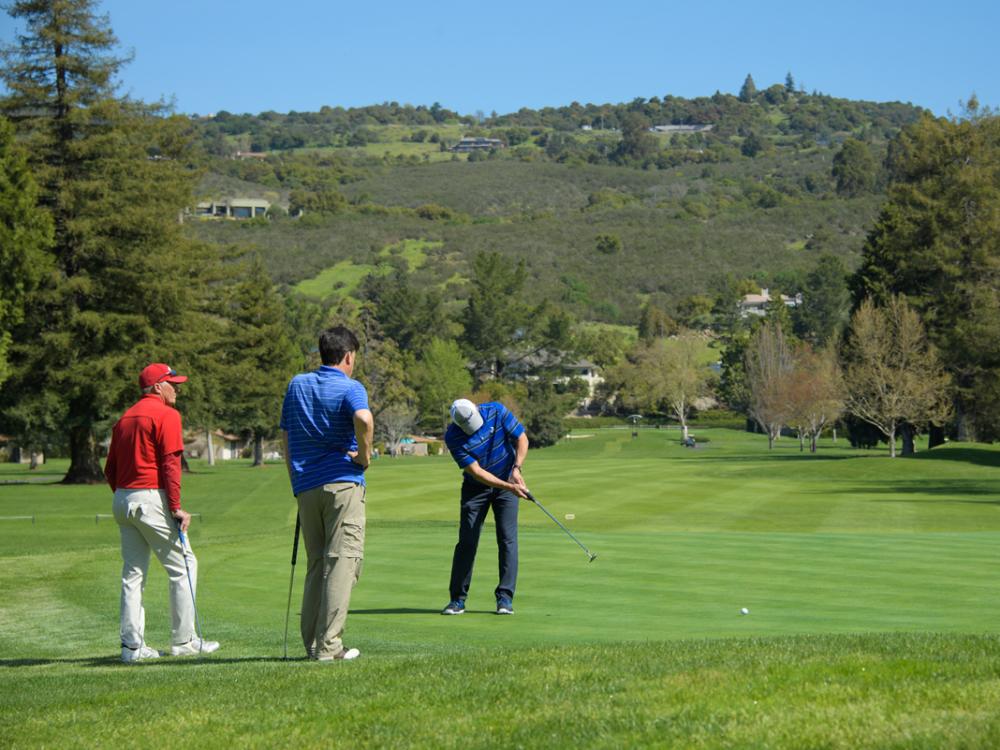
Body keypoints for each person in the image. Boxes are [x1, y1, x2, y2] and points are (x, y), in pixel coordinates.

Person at [104, 363, 220, 663]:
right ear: (157, 387)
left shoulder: (125, 418)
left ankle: (131, 648)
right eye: (172, 383)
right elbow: (171, 464)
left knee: (133, 574)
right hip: (150, 497)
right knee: (183, 566)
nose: (177, 389)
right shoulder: (167, 414)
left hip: (123, 498)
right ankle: (184, 640)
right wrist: (176, 507)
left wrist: (125, 496)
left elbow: (110, 470)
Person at [281, 326, 373, 661]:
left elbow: (287, 438)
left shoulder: (296, 385)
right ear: (349, 356)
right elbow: (364, 418)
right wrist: (364, 456)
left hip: (306, 487)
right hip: (342, 484)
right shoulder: (351, 387)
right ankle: (330, 648)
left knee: (316, 563)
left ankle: (312, 646)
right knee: (341, 563)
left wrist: (296, 481)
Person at [442, 398, 529, 616]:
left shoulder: (496, 411)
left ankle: (505, 599)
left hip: (508, 478)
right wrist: (509, 486)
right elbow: (478, 472)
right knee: (467, 541)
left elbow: (522, 438)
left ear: (477, 410)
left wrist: (516, 469)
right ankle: (457, 600)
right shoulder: (453, 436)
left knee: (507, 539)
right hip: (476, 489)